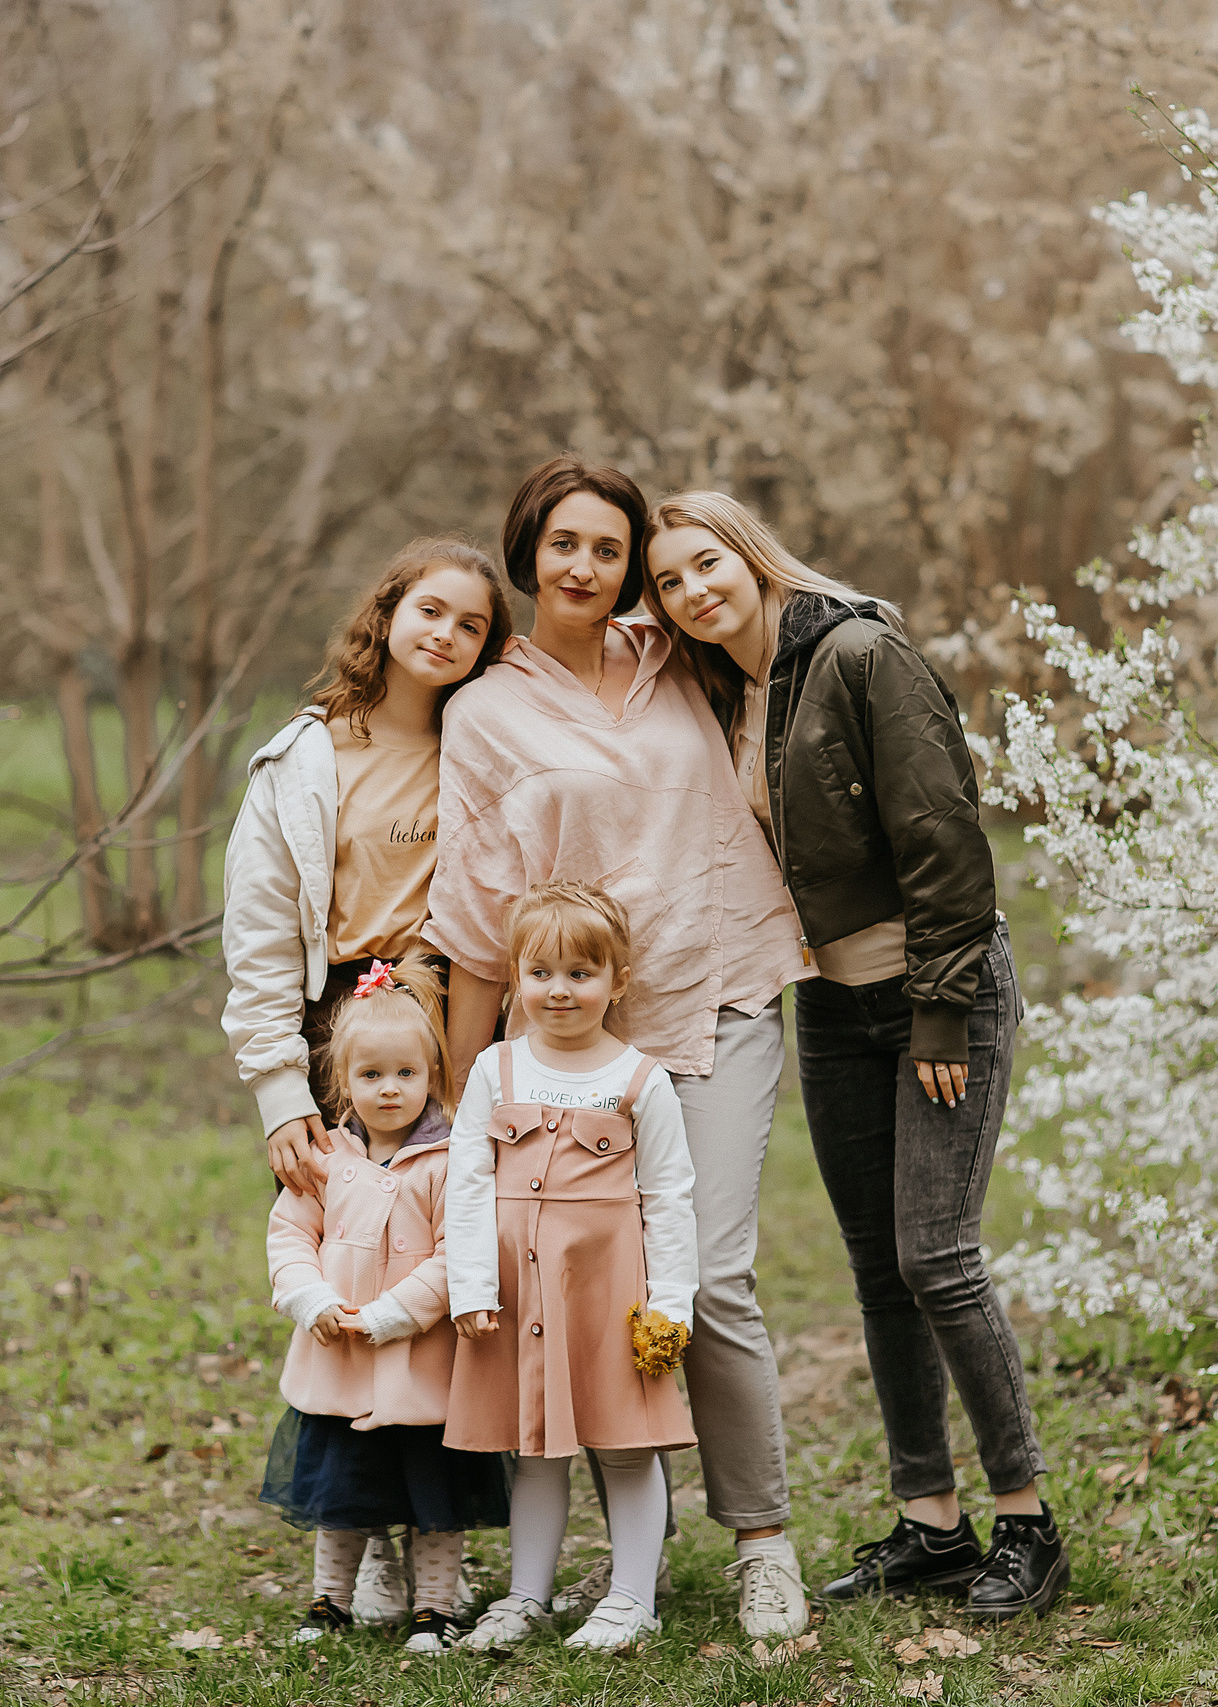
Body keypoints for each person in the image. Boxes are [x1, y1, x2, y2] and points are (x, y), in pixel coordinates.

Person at [644, 489, 1071, 1622]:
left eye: (706, 565)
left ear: (750, 554)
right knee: (879, 1271)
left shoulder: (861, 654)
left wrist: (939, 1007)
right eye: (670, 582)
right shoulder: (734, 690)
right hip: (832, 1007)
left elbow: (941, 831)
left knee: (939, 1257)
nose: (692, 591)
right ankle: (930, 1525)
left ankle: (1027, 1519)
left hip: (939, 999)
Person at [429, 455, 812, 1639]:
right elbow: (476, 920)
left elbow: (780, 617)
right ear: (526, 553)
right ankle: (621, 1573)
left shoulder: (674, 652)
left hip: (719, 989)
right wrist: (460, 1101)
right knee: (587, 1288)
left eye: (608, 549)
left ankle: (762, 1542)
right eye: (564, 547)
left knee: (717, 1275)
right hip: (573, 1037)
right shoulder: (486, 713)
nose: (587, 568)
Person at [222, 536, 512, 1624]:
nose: (445, 635)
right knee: (349, 1267)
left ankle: (447, 1529)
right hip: (342, 1044)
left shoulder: (482, 743)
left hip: (462, 1024)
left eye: (472, 624)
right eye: (429, 611)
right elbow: (256, 938)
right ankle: (365, 1536)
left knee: (452, 1275)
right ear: (388, 614)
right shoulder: (303, 759)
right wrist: (278, 1097)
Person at [441, 884, 697, 1653]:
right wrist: (473, 1284)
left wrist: (671, 1305)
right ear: (515, 976)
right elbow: (468, 1182)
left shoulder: (640, 1079)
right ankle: (526, 1595)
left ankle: (631, 1598)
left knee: (623, 1442)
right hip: (518, 1296)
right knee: (536, 1445)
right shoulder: (497, 1068)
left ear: (618, 980)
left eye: (581, 973)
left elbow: (670, 1195)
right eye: (541, 972)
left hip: (611, 1294)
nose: (559, 990)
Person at [259, 956, 510, 1654]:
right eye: (371, 1076)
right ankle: (330, 1600)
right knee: (341, 1495)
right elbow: (289, 1234)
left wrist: (393, 1314)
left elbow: (456, 1254)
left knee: (435, 1498)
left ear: (433, 1074)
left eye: (405, 1073)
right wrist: (311, 1297)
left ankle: (434, 1608)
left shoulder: (449, 1161)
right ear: (344, 1083)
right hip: (338, 1362)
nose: (390, 1089)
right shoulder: (325, 1158)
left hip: (420, 1368)